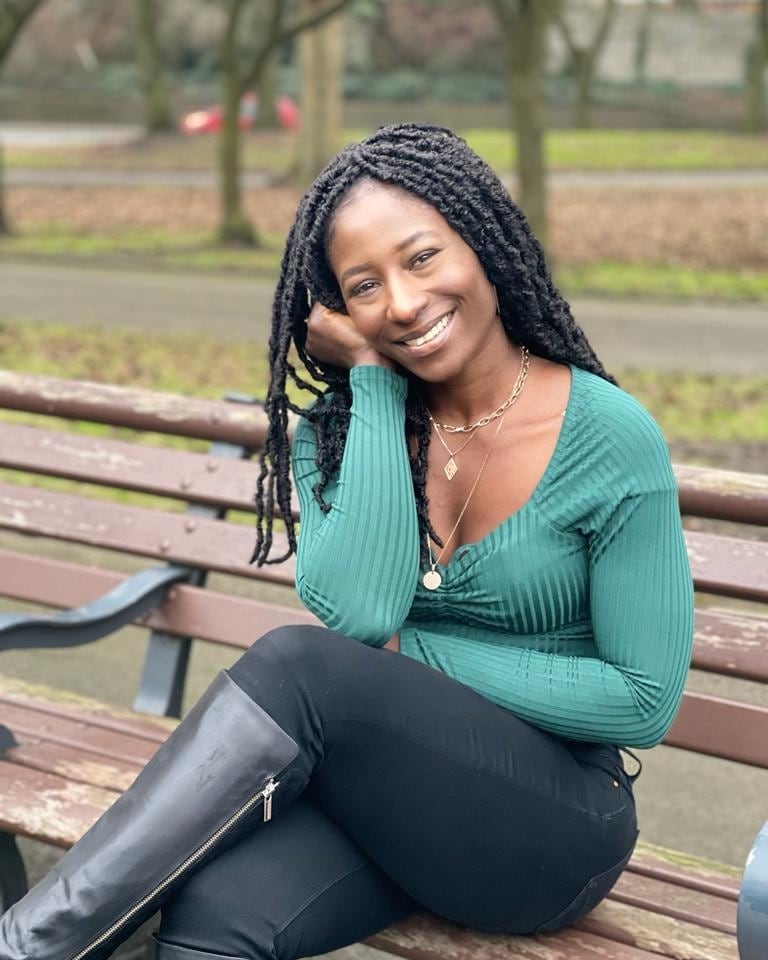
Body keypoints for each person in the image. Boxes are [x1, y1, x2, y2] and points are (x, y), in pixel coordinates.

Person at [0, 123, 694, 960]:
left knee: (300, 664)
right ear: (333, 309)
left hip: (553, 824)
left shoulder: (609, 436)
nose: (401, 303)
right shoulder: (335, 435)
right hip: (396, 797)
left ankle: (28, 946)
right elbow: (365, 609)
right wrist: (370, 381)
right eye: (365, 285)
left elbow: (641, 699)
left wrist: (415, 653)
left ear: (483, 244)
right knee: (217, 920)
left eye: (423, 258)